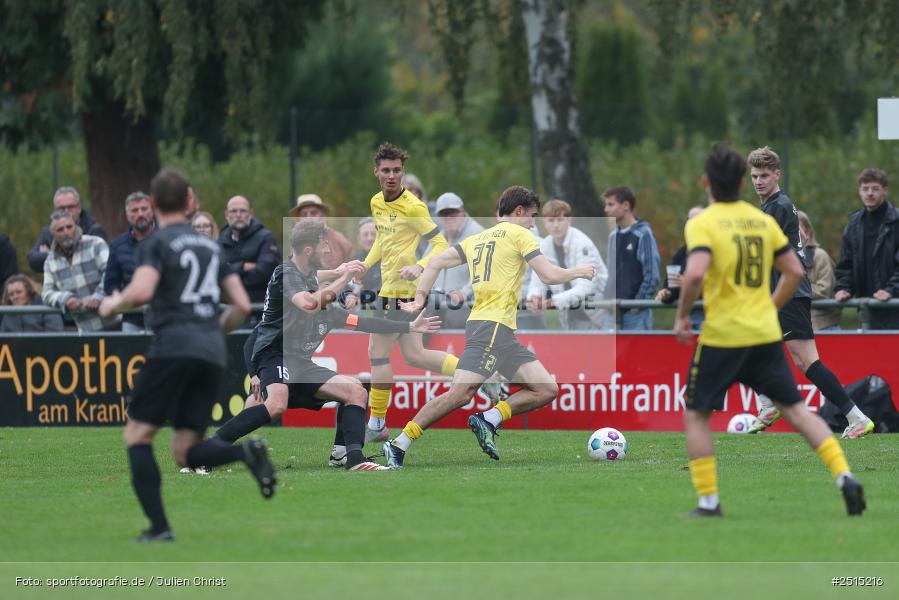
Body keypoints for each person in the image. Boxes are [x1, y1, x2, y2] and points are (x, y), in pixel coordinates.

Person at [674, 144, 865, 518]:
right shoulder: (760, 220)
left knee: (696, 414)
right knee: (796, 410)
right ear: (744, 181)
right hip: (762, 332)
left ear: (706, 182)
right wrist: (768, 306)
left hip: (723, 335)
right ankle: (845, 477)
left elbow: (695, 273)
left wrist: (682, 315)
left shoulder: (703, 221)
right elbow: (795, 271)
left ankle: (709, 502)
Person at [98, 167, 274, 543]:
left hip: (173, 347)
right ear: (189, 202)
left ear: (156, 203)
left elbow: (142, 291)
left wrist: (112, 304)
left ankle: (159, 528)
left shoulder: (156, 243)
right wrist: (210, 330)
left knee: (138, 435)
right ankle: (247, 454)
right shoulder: (212, 248)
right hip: (210, 353)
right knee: (185, 452)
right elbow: (242, 305)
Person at [381, 185, 596, 467]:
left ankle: (488, 419)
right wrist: (579, 271)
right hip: (491, 327)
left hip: (496, 329)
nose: (534, 222)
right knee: (461, 393)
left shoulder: (479, 237)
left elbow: (435, 262)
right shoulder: (521, 234)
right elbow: (548, 275)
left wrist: (419, 298)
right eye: (532, 215)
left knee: (546, 388)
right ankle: (399, 443)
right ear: (519, 212)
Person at [211, 220, 442, 471]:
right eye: (323, 245)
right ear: (308, 250)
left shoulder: (323, 301)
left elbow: (366, 323)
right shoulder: (285, 274)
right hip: (275, 356)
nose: (327, 251)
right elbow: (308, 303)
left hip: (301, 365)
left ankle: (350, 457)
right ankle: (209, 452)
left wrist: (409, 327)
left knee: (356, 390)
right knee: (275, 405)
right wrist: (343, 278)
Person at [745, 147, 873, 438]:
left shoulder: (777, 206)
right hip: (779, 293)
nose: (759, 181)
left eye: (765, 175)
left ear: (777, 174)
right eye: (754, 176)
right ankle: (767, 403)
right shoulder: (772, 206)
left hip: (788, 294)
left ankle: (856, 417)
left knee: (807, 362)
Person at [359, 142, 463, 443]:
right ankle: (472, 373)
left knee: (376, 354)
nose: (392, 175)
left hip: (402, 292)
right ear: (376, 172)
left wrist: (420, 265)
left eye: (397, 170)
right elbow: (382, 239)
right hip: (390, 289)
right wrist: (364, 265)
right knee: (415, 355)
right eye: (386, 170)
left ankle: (377, 424)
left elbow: (441, 245)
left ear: (402, 172)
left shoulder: (414, 207)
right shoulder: (377, 202)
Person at [526, 199, 607, 330]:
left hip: (599, 315)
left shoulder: (582, 244)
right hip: (570, 317)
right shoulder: (545, 246)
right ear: (544, 223)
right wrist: (534, 298)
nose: (556, 225)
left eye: (560, 220)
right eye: (551, 221)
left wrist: (551, 302)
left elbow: (586, 288)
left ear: (569, 220)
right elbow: (538, 279)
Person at [834, 167, 899, 330]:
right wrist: (844, 287)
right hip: (867, 309)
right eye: (865, 189)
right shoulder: (854, 223)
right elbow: (846, 263)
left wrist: (891, 290)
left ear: (885, 190)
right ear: (859, 191)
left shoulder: (897, 221)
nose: (870, 193)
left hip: (895, 305)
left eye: (875, 189)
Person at [41, 210, 116, 332]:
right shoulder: (50, 261)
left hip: (115, 323)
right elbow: (46, 293)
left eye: (69, 227)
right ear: (52, 234)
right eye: (60, 230)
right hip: (86, 330)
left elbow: (111, 274)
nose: (66, 232)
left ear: (75, 227)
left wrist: (98, 296)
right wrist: (66, 299)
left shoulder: (96, 244)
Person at [603, 186, 660, 330]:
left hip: (636, 315)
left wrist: (638, 303)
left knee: (638, 353)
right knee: (608, 353)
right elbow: (611, 275)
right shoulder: (612, 237)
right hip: (612, 313)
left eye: (610, 204)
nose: (606, 209)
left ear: (626, 205)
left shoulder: (643, 234)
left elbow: (652, 274)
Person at [431, 192, 484, 328]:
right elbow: (426, 264)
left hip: (468, 306)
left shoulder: (478, 234)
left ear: (462, 212)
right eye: (444, 213)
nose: (449, 217)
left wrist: (464, 293)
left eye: (453, 212)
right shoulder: (440, 236)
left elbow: (484, 270)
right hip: (440, 305)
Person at [105, 192, 156, 332]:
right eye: (134, 210)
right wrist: (128, 297)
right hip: (132, 317)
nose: (140, 214)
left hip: (163, 315)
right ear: (128, 216)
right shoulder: (117, 246)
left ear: (152, 211)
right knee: (131, 353)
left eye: (144, 209)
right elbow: (110, 285)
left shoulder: (165, 239)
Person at [28, 186, 107, 273]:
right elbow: (33, 260)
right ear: (54, 211)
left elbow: (98, 262)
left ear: (79, 208)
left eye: (70, 207)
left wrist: (51, 254)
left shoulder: (94, 230)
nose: (66, 211)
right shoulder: (48, 233)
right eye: (61, 208)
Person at [219, 195, 279, 305]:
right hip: (228, 308)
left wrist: (230, 281)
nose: (238, 215)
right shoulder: (220, 241)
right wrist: (242, 266)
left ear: (250, 214)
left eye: (243, 211)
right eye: (233, 211)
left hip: (260, 309)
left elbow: (265, 273)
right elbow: (215, 274)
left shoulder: (266, 238)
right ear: (226, 215)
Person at [656, 206, 705, 331]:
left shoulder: (715, 250)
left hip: (709, 320)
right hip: (688, 319)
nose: (692, 224)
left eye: (697, 220)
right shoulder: (682, 252)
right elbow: (672, 284)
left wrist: (688, 283)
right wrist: (667, 293)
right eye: (689, 220)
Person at [797, 211, 841, 331]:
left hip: (823, 326)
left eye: (795, 228)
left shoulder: (820, 256)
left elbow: (823, 291)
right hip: (797, 326)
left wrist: (793, 287)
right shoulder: (786, 258)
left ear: (807, 231)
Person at [289, 194, 354, 269]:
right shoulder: (295, 244)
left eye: (313, 213)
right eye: (304, 214)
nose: (309, 217)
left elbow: (354, 272)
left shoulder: (339, 240)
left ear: (323, 216)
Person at [352, 217, 381, 311]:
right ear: (359, 239)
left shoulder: (390, 259)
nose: (370, 238)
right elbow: (345, 285)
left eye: (373, 234)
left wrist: (363, 297)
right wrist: (350, 295)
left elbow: (385, 288)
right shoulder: (355, 260)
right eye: (365, 234)